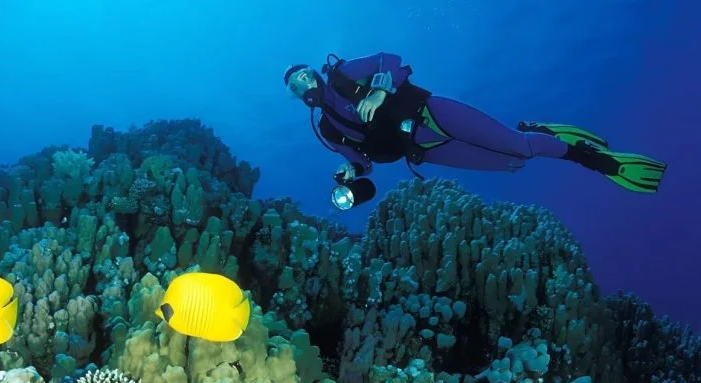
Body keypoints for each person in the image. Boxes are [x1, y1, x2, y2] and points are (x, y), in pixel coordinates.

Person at [284, 53, 667, 210]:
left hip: (431, 113)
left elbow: (392, 60)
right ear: (297, 97)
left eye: (303, 76)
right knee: (512, 164)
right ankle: (536, 131)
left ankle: (590, 158)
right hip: (425, 151)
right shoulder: (326, 129)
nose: (303, 84)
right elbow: (361, 162)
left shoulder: (344, 74)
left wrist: (380, 90)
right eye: (295, 87)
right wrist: (351, 171)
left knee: (520, 148)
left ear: (314, 73)